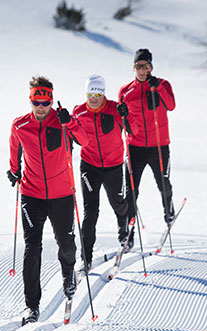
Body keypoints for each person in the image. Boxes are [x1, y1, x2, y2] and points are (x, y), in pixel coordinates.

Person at [7, 75, 88, 325]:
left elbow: (85, 141)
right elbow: (14, 153)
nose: (41, 107)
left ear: (51, 100)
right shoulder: (19, 126)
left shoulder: (63, 122)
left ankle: (68, 273)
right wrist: (13, 171)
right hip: (32, 195)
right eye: (36, 101)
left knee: (67, 244)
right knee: (33, 248)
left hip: (62, 194)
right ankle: (31, 306)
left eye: (45, 102)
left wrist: (72, 123)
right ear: (30, 100)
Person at [71, 75, 130, 276]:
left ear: (104, 93)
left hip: (114, 166)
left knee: (118, 202)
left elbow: (134, 131)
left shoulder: (115, 109)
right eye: (91, 94)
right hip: (90, 167)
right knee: (91, 212)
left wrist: (126, 117)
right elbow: (74, 137)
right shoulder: (78, 112)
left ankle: (124, 231)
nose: (94, 98)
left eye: (98, 94)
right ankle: (85, 258)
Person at [117, 48, 176, 248]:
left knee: (164, 184)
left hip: (159, 146)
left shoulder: (163, 84)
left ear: (151, 67)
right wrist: (122, 115)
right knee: (131, 191)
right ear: (133, 68)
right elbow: (123, 122)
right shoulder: (125, 91)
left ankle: (169, 209)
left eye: (146, 66)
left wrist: (157, 87)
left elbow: (171, 105)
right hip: (135, 147)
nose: (142, 70)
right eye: (139, 66)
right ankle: (129, 232)